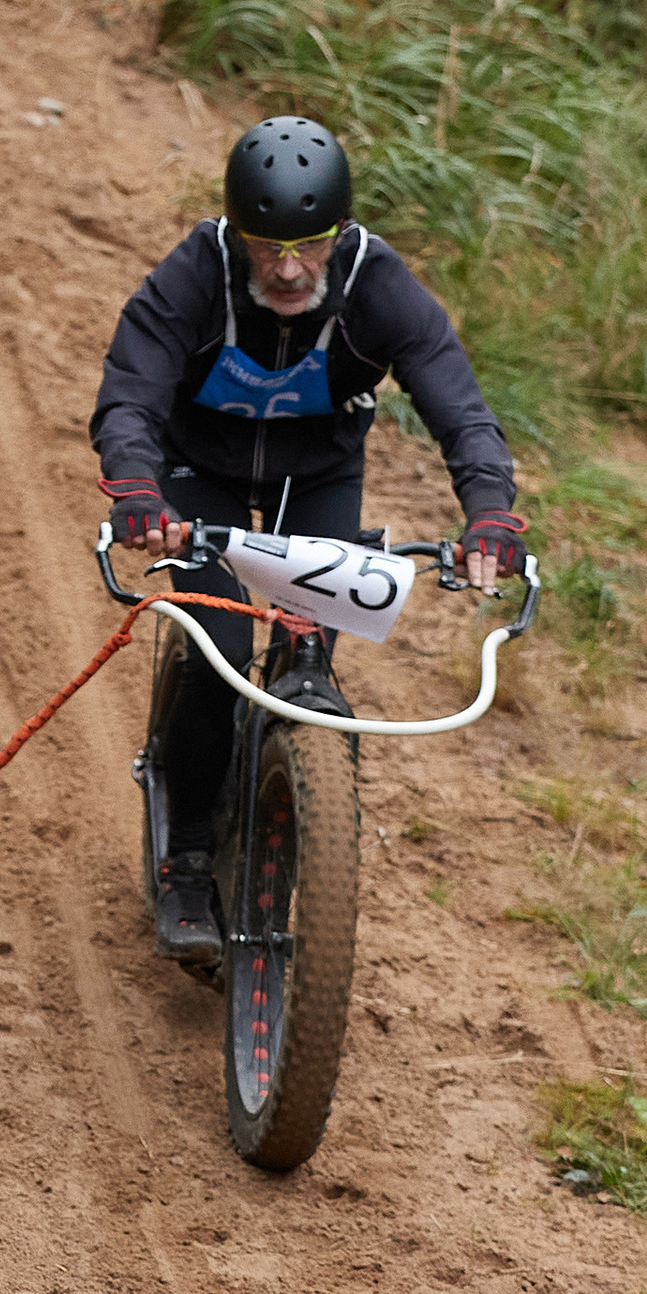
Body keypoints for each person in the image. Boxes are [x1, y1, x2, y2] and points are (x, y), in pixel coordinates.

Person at [90, 116, 527, 961]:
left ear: (342, 230)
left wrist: (490, 512)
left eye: (310, 245)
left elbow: (462, 411)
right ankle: (186, 861)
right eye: (267, 247)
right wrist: (139, 489)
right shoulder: (196, 273)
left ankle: (304, 824)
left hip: (317, 478)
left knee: (309, 651)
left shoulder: (376, 285)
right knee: (220, 649)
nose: (289, 270)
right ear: (237, 234)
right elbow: (130, 395)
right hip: (196, 473)